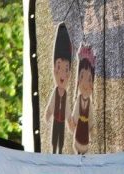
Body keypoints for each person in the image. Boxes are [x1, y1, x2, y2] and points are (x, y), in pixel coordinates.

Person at [44, 23, 72, 154]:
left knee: (61, 137)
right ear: (54, 69)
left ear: (69, 73)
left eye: (66, 69)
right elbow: (51, 104)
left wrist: (69, 119)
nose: (62, 74)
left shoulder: (65, 94)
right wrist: (48, 113)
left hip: (62, 121)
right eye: (59, 67)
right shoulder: (55, 92)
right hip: (56, 120)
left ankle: (60, 150)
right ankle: (54, 149)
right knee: (54, 137)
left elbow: (67, 109)